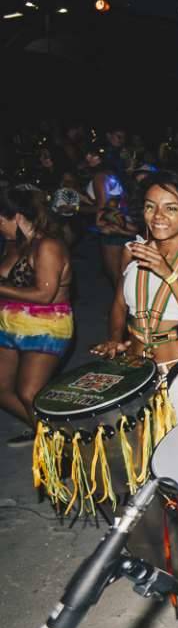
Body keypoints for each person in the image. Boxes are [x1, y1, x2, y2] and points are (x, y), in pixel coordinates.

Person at [91, 171, 178, 421]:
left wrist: (169, 274)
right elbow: (120, 304)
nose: (158, 216)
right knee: (143, 455)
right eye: (150, 207)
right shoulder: (132, 251)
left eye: (171, 208)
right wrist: (113, 339)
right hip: (137, 375)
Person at [0, 187, 73, 446]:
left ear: (17, 217)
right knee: (3, 389)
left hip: (47, 326)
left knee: (29, 392)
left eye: (1, 221)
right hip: (10, 324)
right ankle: (51, 435)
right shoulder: (14, 245)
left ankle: (61, 444)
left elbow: (44, 295)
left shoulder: (48, 246)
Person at [86, 143, 137, 290]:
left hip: (112, 228)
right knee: (125, 276)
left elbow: (103, 207)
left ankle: (122, 310)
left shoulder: (100, 176)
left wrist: (78, 209)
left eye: (93, 154)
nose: (88, 157)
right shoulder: (113, 173)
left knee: (117, 278)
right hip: (124, 224)